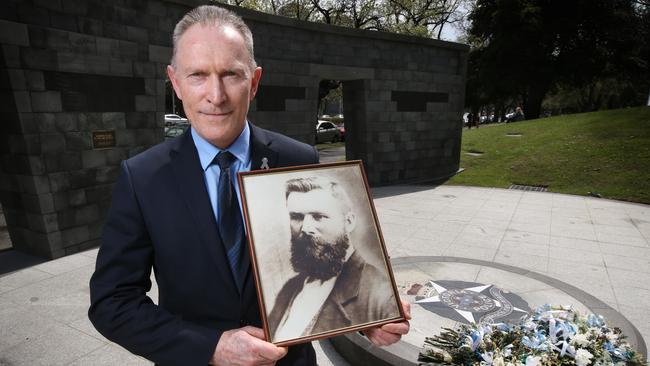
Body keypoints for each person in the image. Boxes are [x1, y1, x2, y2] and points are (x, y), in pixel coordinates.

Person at [88, 5, 410, 366]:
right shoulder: (142, 177)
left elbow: (323, 269)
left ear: (254, 82)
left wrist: (370, 317)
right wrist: (211, 347)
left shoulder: (298, 157)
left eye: (231, 75)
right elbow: (111, 302)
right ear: (175, 83)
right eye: (197, 75)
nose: (216, 95)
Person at [268, 177, 401, 343]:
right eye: (296, 217)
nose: (306, 228)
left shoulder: (380, 294)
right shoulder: (289, 289)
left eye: (318, 216)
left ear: (349, 222)